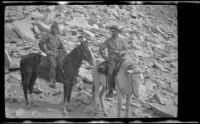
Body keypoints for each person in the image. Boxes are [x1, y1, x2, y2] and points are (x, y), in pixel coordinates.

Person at [99, 25, 129, 98]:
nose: (112, 33)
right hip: (112, 59)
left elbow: (126, 50)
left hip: (121, 58)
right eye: (111, 31)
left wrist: (121, 53)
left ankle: (127, 87)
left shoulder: (122, 40)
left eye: (114, 31)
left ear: (118, 32)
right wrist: (105, 57)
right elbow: (101, 49)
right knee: (110, 72)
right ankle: (110, 90)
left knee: (129, 69)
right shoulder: (108, 40)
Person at [38, 21, 67, 88]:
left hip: (59, 54)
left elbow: (61, 45)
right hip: (51, 54)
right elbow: (41, 43)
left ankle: (64, 78)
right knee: (53, 65)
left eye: (56, 29)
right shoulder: (47, 35)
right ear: (51, 29)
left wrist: (64, 50)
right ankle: (51, 81)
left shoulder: (57, 36)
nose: (55, 30)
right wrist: (46, 51)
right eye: (54, 28)